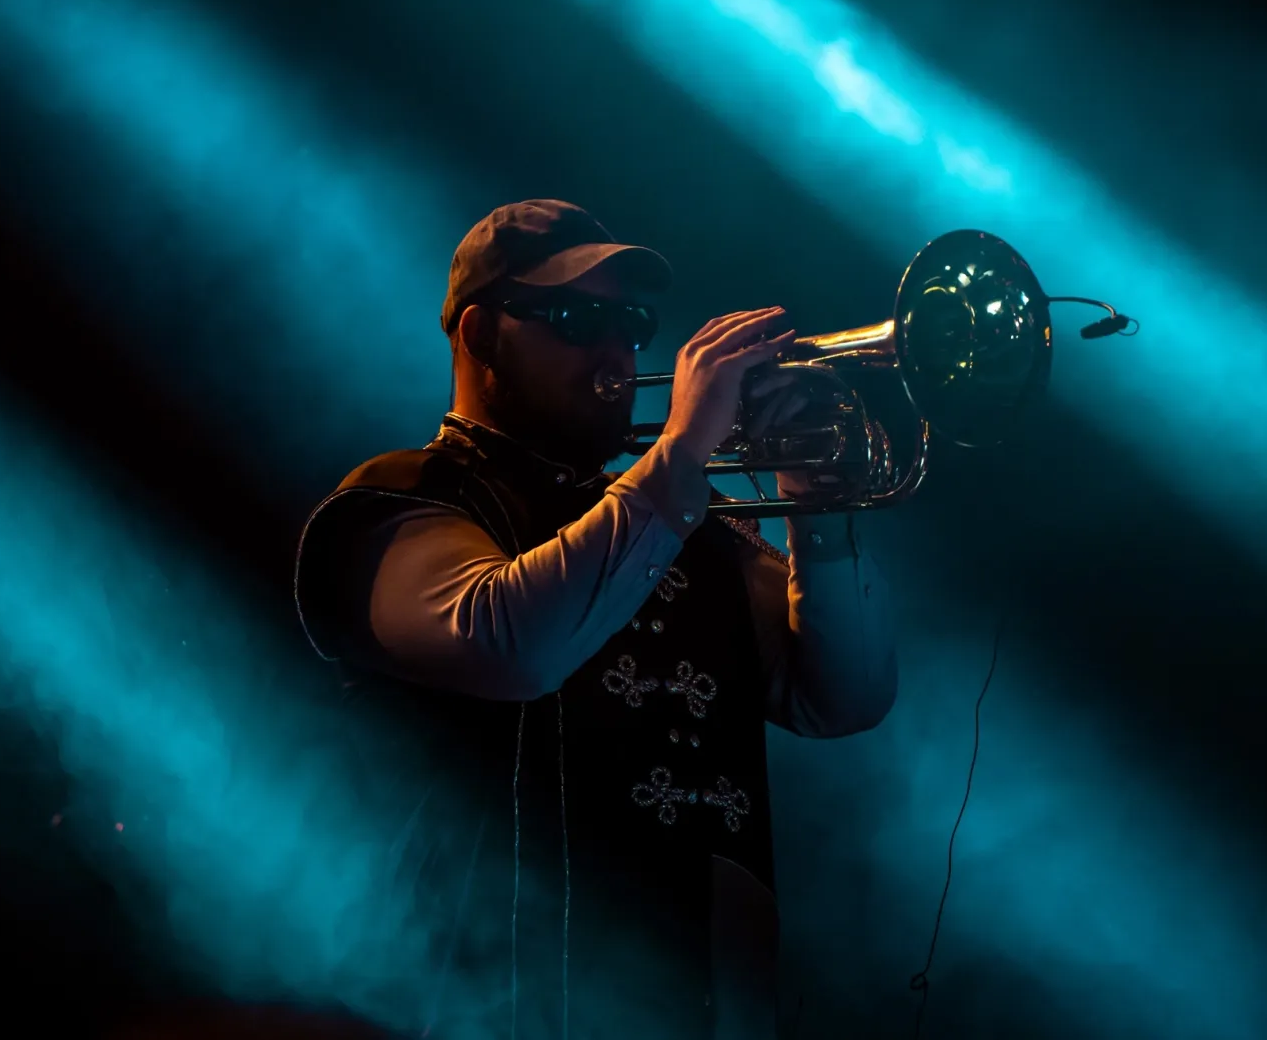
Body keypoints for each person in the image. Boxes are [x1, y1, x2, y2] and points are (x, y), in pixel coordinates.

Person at [293, 200, 897, 1040]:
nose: (616, 351)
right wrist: (680, 457)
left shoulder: (692, 515)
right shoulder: (398, 499)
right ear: (477, 333)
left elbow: (846, 697)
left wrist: (817, 502)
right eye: (578, 318)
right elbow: (510, 645)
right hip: (495, 994)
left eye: (632, 323)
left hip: (710, 995)